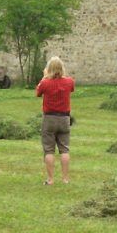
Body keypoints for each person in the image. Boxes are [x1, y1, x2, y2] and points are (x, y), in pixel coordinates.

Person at [35, 56, 75, 184]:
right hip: (64, 118)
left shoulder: (46, 83)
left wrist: (44, 77)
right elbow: (71, 89)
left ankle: (50, 179)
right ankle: (65, 178)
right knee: (64, 149)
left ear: (49, 69)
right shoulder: (69, 81)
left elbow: (38, 93)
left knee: (49, 150)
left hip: (49, 118)